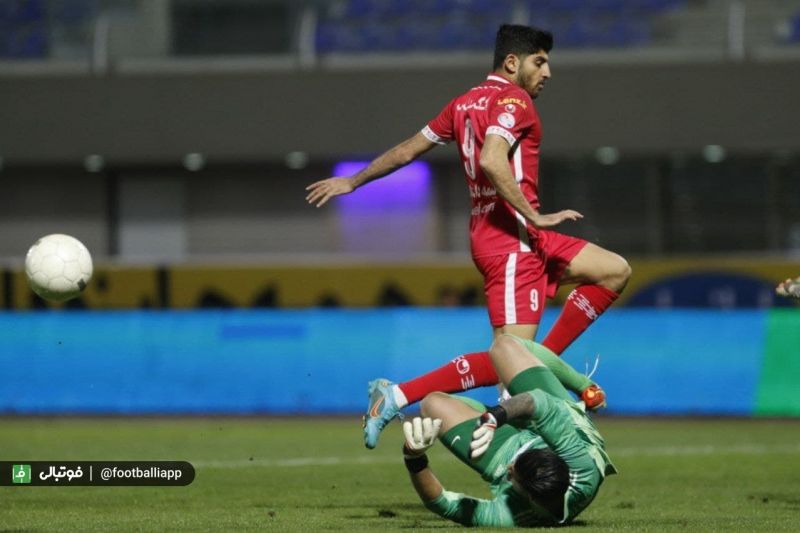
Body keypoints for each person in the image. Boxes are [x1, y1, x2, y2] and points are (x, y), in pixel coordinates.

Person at [306, 25, 630, 367]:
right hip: (510, 239)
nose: (547, 72)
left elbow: (406, 152)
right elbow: (492, 158)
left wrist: (354, 181)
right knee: (513, 367)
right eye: (539, 62)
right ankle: (406, 396)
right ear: (511, 62)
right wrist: (532, 214)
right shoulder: (514, 99)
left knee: (614, 270)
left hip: (514, 236)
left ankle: (546, 362)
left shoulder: (463, 103)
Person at [399, 334, 616, 527]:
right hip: (564, 422)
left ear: (531, 498)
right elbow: (537, 401)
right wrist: (495, 417)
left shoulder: (513, 515)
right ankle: (586, 386)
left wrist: (414, 458)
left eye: (512, 475)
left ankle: (501, 412)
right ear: (555, 456)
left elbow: (443, 504)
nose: (510, 468)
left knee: (431, 404)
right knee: (504, 345)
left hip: (506, 449)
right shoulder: (581, 465)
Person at [363, 338, 603, 448]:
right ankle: (398, 394)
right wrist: (580, 384)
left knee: (512, 355)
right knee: (511, 351)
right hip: (512, 248)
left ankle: (398, 394)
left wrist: (415, 461)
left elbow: (445, 504)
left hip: (523, 247)